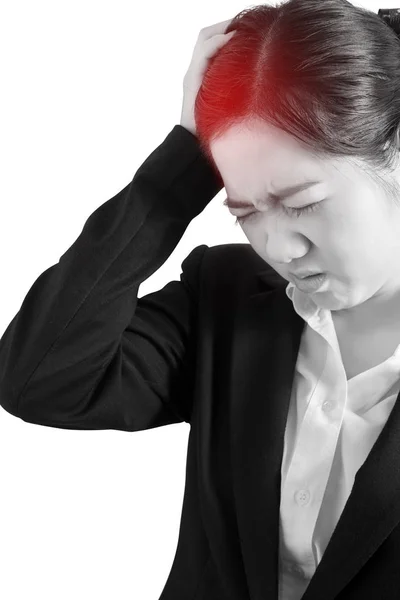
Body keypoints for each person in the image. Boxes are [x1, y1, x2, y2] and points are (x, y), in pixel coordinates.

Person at [2, 1, 400, 599]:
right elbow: (41, 379)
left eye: (302, 202)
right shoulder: (225, 297)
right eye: (245, 212)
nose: (278, 246)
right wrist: (183, 161)